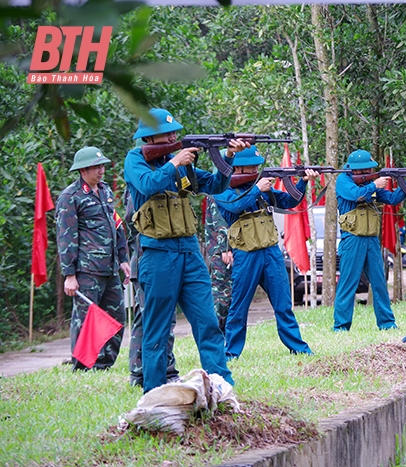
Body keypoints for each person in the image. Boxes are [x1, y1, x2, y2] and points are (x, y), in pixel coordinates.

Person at [124, 107, 247, 393]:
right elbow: (147, 184)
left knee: (207, 322)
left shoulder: (180, 163)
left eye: (175, 133)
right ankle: (154, 392)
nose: (175, 136)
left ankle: (221, 386)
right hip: (157, 253)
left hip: (189, 252)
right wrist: (175, 163)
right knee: (157, 329)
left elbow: (214, 185)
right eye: (169, 134)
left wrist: (228, 156)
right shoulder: (136, 159)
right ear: (152, 137)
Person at [212, 145, 315, 359]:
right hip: (245, 254)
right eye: (252, 166)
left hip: (270, 253)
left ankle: (299, 348)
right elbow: (235, 206)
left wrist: (302, 181)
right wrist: (258, 188)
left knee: (283, 304)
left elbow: (290, 201)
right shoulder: (223, 189)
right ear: (238, 169)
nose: (257, 169)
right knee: (239, 307)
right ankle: (231, 353)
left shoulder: (260, 188)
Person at [333, 149, 406, 332]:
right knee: (347, 285)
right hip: (352, 239)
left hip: (371, 240)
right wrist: (375, 185)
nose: (368, 173)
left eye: (370, 170)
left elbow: (392, 199)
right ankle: (341, 327)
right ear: (355, 170)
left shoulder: (370, 183)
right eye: (365, 170)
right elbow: (356, 195)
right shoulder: (343, 180)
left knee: (379, 284)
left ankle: (387, 324)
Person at [56, 146, 130, 371]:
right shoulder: (71, 196)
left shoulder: (105, 191)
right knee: (86, 320)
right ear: (83, 170)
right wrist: (69, 275)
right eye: (96, 167)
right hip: (87, 270)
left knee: (117, 317)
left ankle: (103, 364)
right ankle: (82, 367)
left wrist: (123, 259)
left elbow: (116, 226)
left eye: (102, 166)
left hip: (110, 268)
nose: (101, 170)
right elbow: (66, 236)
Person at [124, 189, 179, 387]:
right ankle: (156, 371)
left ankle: (145, 370)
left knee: (151, 317)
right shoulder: (141, 182)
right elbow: (132, 221)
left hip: (162, 260)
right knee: (156, 318)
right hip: (148, 260)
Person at [204, 195, 232, 332]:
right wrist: (225, 248)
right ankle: (215, 334)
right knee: (222, 298)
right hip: (221, 253)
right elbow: (219, 221)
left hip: (225, 250)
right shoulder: (218, 191)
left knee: (229, 297)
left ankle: (226, 336)